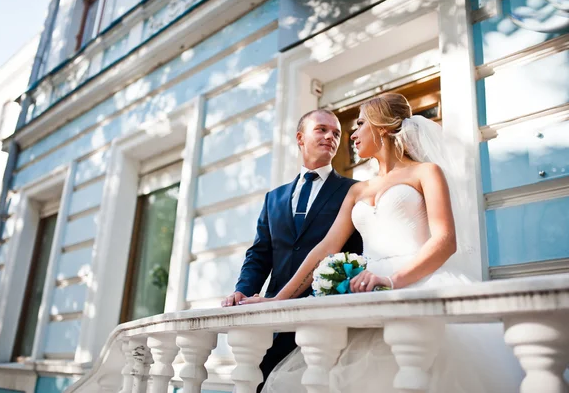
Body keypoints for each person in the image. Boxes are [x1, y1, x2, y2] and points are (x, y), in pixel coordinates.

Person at [241, 93, 523, 392]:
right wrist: (278, 299)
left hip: (415, 286)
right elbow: (325, 249)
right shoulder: (357, 191)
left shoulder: (425, 172)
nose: (352, 133)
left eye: (360, 123)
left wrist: (391, 281)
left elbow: (444, 240)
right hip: (364, 293)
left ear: (383, 128)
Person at [221, 109, 363, 392]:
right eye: (321, 129)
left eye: (336, 133)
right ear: (300, 137)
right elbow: (260, 254)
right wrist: (243, 289)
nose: (330, 137)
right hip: (273, 320)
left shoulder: (353, 191)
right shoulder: (274, 198)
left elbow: (357, 253)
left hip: (324, 318)